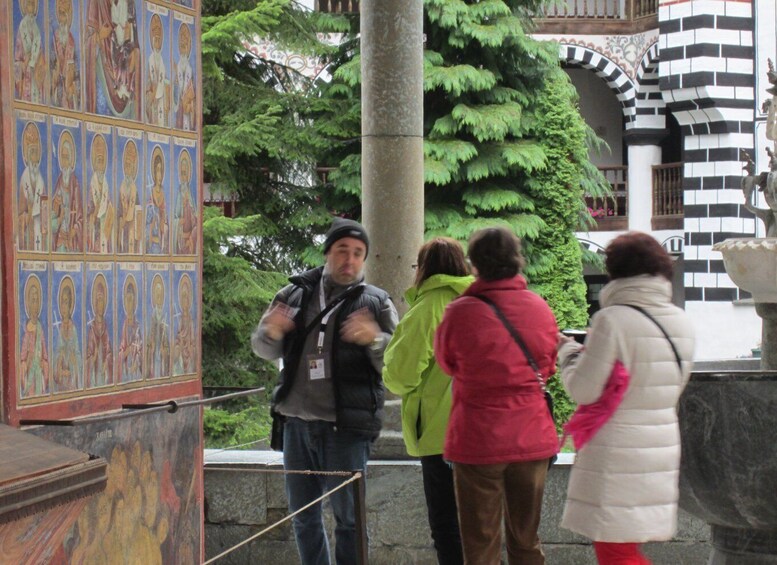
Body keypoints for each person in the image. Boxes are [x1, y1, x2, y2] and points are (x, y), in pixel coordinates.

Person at [252, 217, 398, 565]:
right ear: (327, 252)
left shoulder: (376, 302)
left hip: (344, 429)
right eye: (342, 251)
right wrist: (271, 333)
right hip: (297, 425)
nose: (349, 260)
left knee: (349, 519)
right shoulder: (293, 293)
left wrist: (374, 340)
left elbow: (395, 364)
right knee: (303, 516)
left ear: (365, 259)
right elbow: (263, 348)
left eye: (358, 253)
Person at [556, 232, 695, 565]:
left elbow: (583, 390)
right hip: (661, 444)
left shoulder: (612, 320)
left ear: (615, 271)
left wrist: (567, 351)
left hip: (618, 450)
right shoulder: (682, 322)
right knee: (624, 547)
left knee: (615, 549)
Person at [434, 227, 558, 565]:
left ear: (475, 264)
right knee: (526, 540)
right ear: (516, 261)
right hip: (531, 437)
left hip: (478, 440)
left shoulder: (460, 312)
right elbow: (548, 365)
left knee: (480, 544)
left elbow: (447, 363)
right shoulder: (538, 308)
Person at [382, 237, 473, 565]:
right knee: (480, 525)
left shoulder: (429, 308)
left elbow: (400, 375)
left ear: (423, 269)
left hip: (440, 432)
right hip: (482, 430)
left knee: (446, 523)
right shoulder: (479, 301)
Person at [51, 129, 83, 252]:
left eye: (67, 157)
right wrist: (56, 205)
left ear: (71, 160)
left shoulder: (75, 184)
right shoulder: (59, 181)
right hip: (60, 235)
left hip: (71, 238)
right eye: (62, 157)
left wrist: (74, 230)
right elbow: (53, 212)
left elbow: (80, 216)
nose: (64, 161)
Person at [18, 122, 46, 252]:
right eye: (32, 153)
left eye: (36, 153)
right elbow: (19, 213)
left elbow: (44, 207)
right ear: (27, 156)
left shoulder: (40, 180)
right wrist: (27, 213)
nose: (34, 157)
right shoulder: (24, 179)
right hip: (29, 229)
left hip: (39, 228)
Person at [20, 274, 48, 397]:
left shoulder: (40, 330)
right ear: (28, 304)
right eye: (33, 300)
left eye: (37, 300)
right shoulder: (26, 332)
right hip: (30, 379)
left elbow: (45, 357)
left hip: (39, 376)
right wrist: (27, 363)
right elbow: (22, 359)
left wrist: (43, 363)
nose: (35, 304)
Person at [50, 0, 80, 110]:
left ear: (68, 18)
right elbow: (52, 62)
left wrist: (73, 85)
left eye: (64, 16)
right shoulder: (55, 39)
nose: (62, 20)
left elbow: (76, 69)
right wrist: (55, 71)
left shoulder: (71, 41)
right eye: (60, 15)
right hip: (58, 85)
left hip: (68, 87)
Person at [14, 0, 45, 103]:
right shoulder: (22, 27)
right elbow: (17, 59)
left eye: (32, 4)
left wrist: (40, 62)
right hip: (26, 74)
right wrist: (23, 64)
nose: (30, 6)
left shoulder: (36, 28)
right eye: (28, 4)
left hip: (35, 73)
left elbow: (40, 52)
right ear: (24, 6)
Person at [86, 274, 113, 388]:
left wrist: (106, 362)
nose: (101, 306)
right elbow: (88, 356)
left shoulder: (106, 327)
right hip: (95, 374)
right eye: (99, 303)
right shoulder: (92, 329)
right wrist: (95, 356)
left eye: (103, 303)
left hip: (103, 371)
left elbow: (109, 351)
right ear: (95, 305)